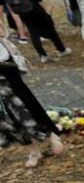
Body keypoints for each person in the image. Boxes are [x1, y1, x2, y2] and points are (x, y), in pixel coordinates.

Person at [0, 20, 63, 168]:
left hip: (6, 69)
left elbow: (3, 31)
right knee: (6, 118)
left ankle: (52, 136)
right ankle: (33, 150)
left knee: (27, 106)